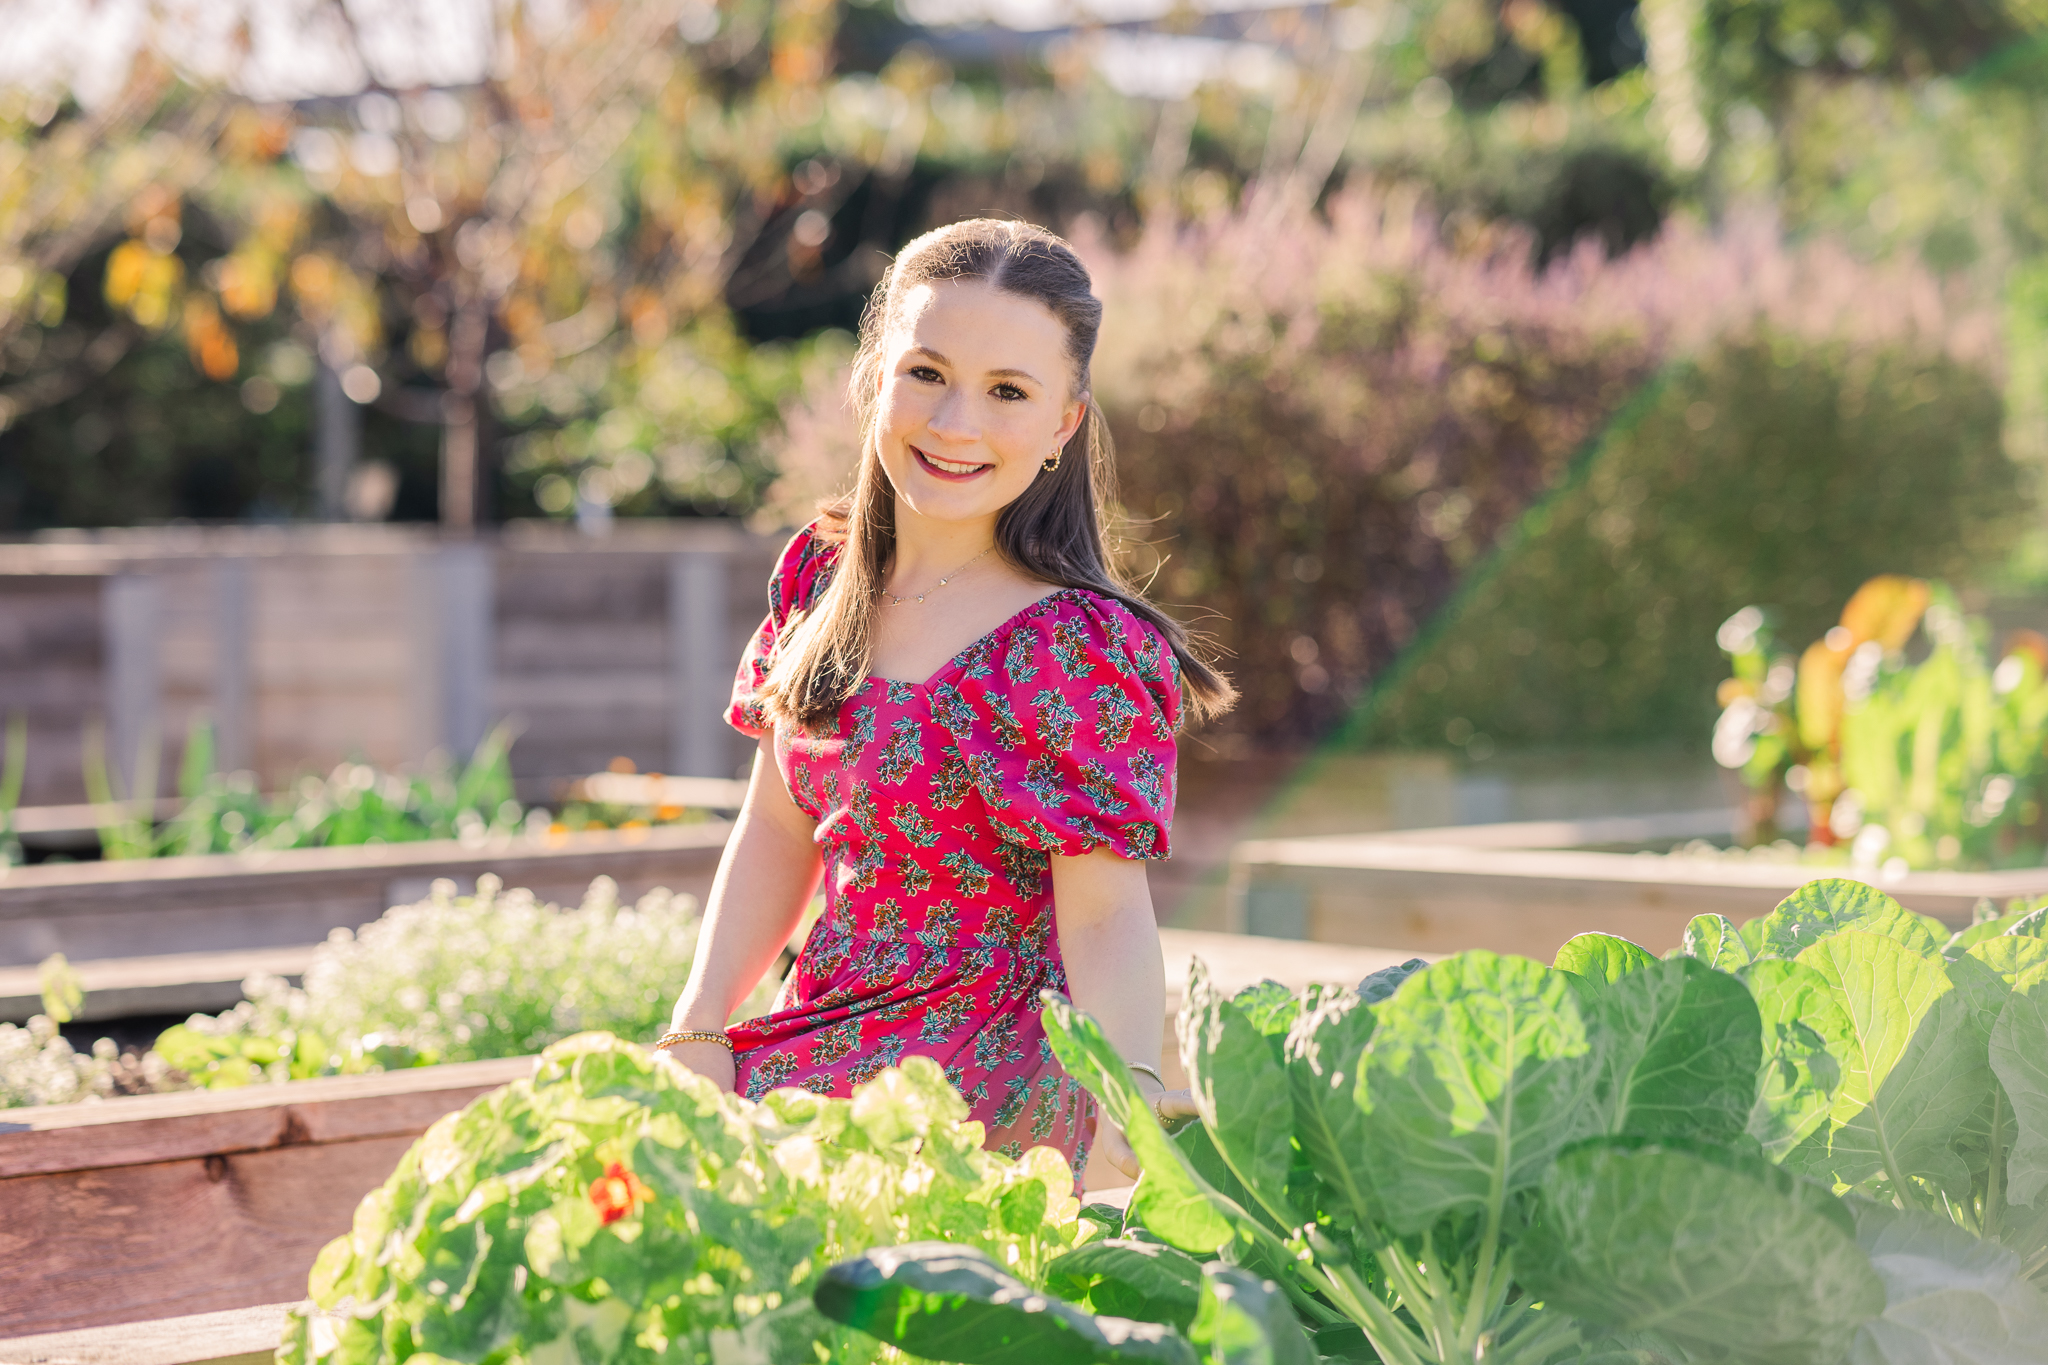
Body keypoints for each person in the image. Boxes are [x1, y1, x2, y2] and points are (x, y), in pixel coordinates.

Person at [657, 218, 1233, 1183]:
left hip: (987, 1085)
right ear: (874, 377)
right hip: (818, 1035)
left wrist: (1124, 1129)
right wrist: (698, 1028)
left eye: (1008, 391)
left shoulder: (1078, 646)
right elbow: (776, 827)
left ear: (1064, 424)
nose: (956, 422)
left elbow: (1104, 918)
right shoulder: (819, 580)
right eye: (926, 372)